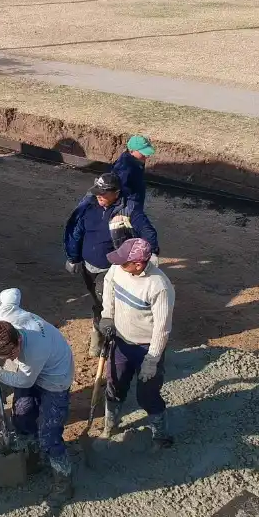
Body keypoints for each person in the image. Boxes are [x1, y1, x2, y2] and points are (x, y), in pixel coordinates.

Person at [0, 288, 77, 507]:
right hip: (33, 370)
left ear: (18, 342)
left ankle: (63, 481)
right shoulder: (5, 316)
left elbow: (25, 381)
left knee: (49, 433)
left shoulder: (34, 350)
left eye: (10, 355)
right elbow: (13, 292)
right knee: (22, 415)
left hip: (56, 378)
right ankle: (33, 456)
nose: (8, 359)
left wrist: (1, 374)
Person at [64, 171, 159, 356]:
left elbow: (148, 233)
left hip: (113, 269)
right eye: (97, 191)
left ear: (116, 193)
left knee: (107, 302)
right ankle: (98, 331)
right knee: (98, 301)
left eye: (104, 192)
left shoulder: (129, 210)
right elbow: (76, 231)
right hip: (88, 266)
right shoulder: (89, 206)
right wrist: (73, 257)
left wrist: (152, 253)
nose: (99, 195)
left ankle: (109, 341)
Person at [98, 237, 175, 446]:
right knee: (114, 386)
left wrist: (151, 361)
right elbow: (108, 284)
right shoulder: (117, 270)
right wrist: (107, 316)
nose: (118, 266)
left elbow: (162, 328)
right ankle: (109, 425)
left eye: (124, 263)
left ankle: (160, 436)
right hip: (121, 343)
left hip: (146, 349)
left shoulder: (159, 287)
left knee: (147, 396)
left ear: (138, 264)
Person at [112, 135, 156, 206]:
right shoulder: (124, 168)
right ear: (132, 151)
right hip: (129, 205)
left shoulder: (137, 161)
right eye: (143, 152)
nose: (146, 156)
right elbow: (119, 192)